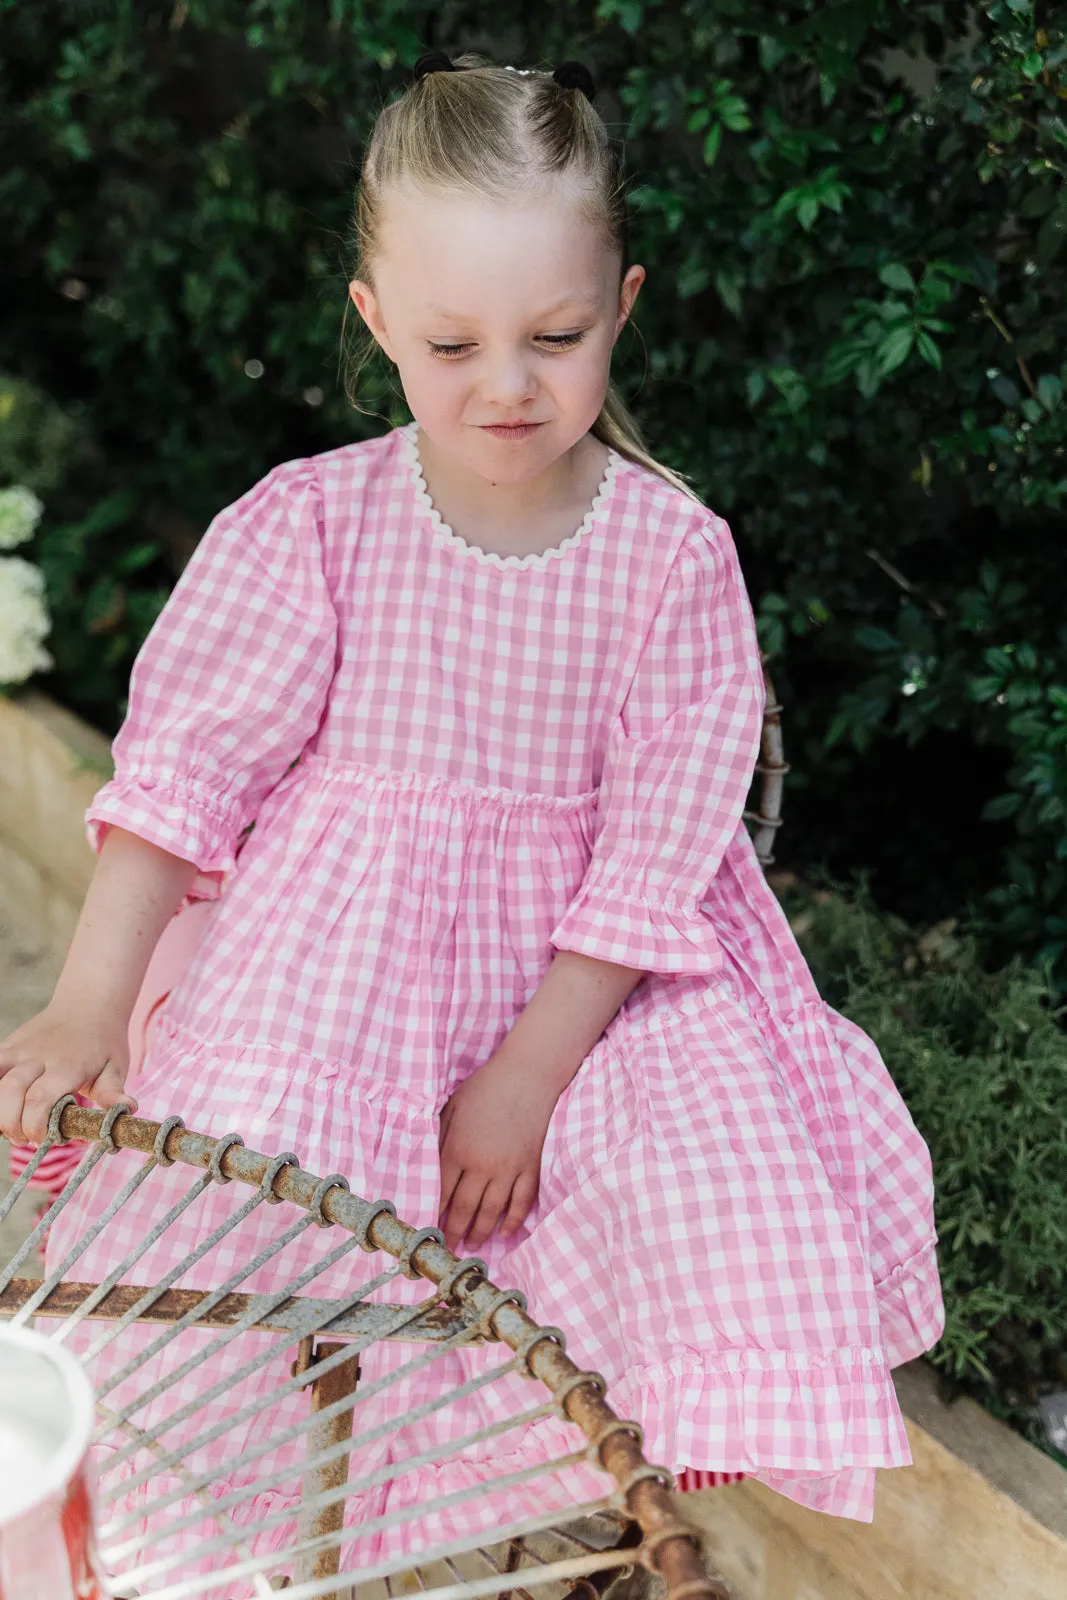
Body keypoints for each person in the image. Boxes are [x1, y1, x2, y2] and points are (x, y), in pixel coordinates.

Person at [0, 51, 943, 1584]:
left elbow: (659, 854)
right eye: (452, 343)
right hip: (339, 955)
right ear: (375, 324)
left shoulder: (665, 555)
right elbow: (182, 781)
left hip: (580, 983)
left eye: (554, 337)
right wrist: (91, 997)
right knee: (242, 1173)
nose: (506, 384)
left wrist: (525, 1073)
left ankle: (523, 1488)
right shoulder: (315, 522)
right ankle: (211, 1516)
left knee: (685, 1169)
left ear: (620, 306)